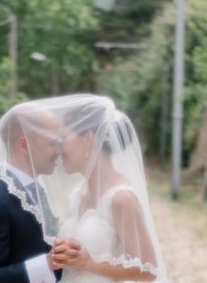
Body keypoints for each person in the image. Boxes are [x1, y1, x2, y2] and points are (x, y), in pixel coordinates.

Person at [49, 95, 167, 282]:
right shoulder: (78, 195)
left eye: (64, 138)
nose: (58, 149)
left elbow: (149, 269)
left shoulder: (121, 198)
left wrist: (88, 263)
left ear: (88, 138)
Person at [0, 102, 64, 283]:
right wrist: (47, 263)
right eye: (52, 143)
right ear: (24, 146)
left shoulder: (39, 189)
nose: (59, 151)